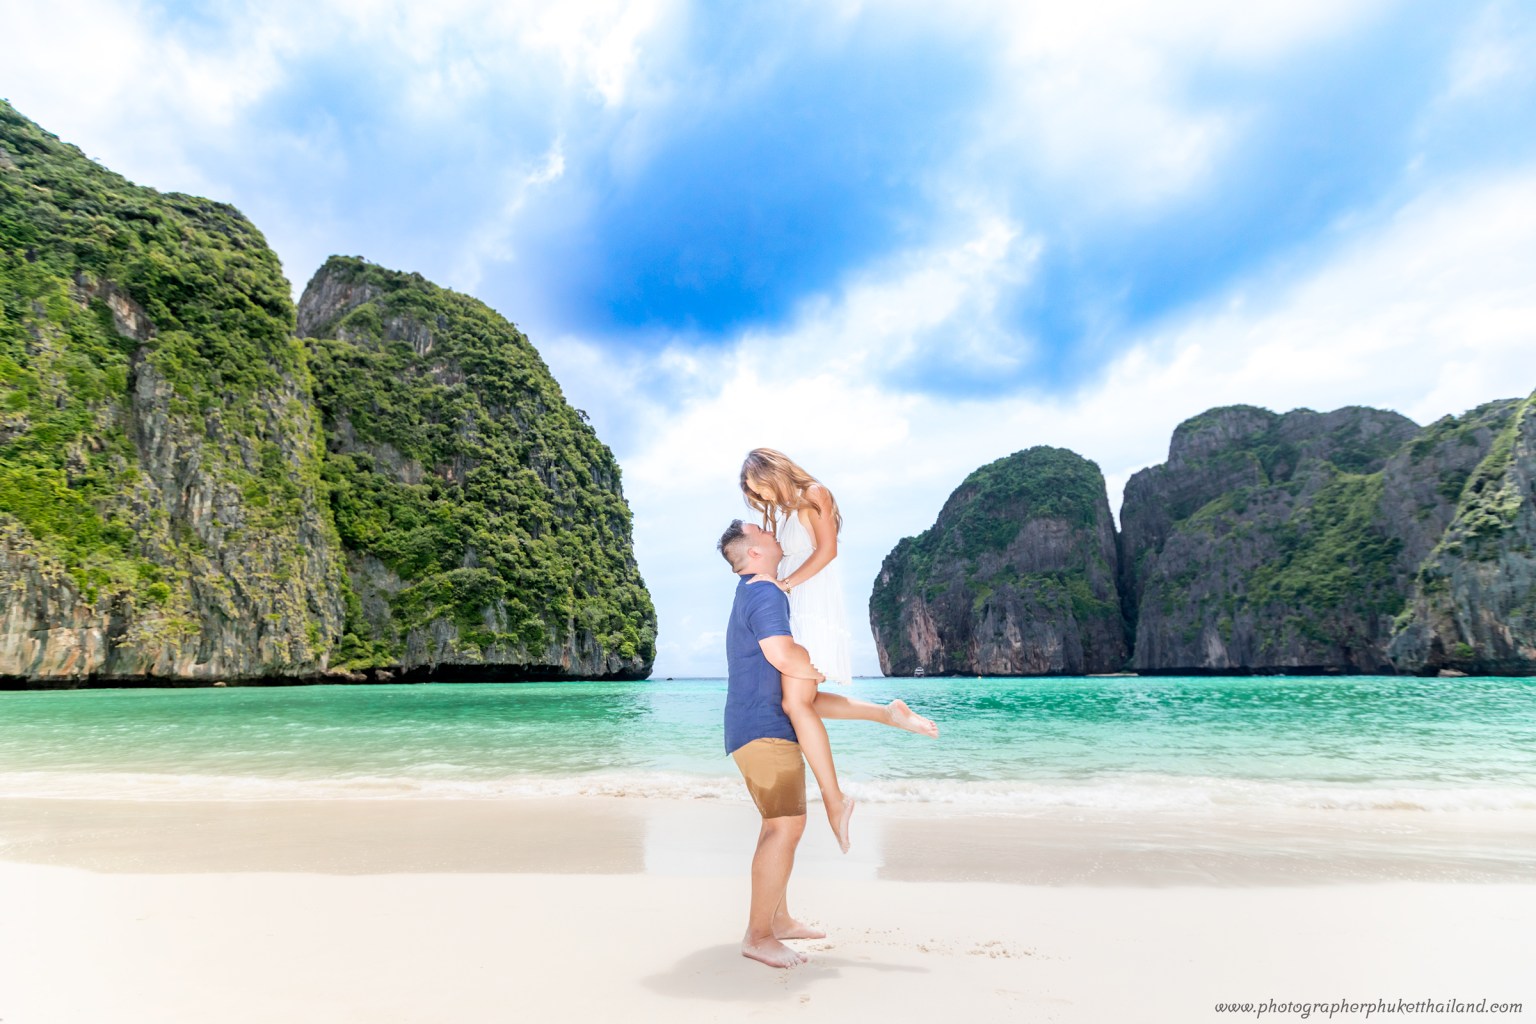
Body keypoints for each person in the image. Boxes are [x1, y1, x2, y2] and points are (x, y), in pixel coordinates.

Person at [738, 449, 938, 854]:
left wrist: (787, 584)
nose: (764, 500)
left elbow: (827, 551)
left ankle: (835, 798)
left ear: (773, 472)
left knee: (796, 705)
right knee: (802, 701)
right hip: (793, 607)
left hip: (811, 605)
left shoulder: (816, 493)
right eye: (756, 496)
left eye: (762, 489)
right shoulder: (780, 511)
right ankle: (887, 714)